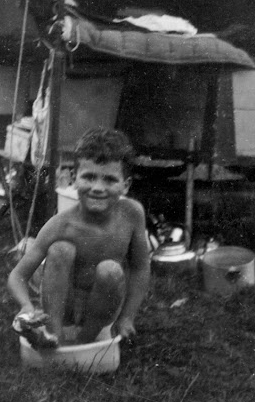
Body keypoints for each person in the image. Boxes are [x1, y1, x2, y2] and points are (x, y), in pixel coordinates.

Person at [8, 128, 150, 347]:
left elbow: (141, 268)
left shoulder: (131, 214)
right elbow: (17, 275)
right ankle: (54, 335)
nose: (98, 188)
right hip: (63, 305)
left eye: (110, 179)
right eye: (89, 177)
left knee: (110, 270)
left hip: (104, 305)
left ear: (126, 185)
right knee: (60, 249)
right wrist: (26, 307)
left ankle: (86, 340)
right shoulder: (61, 224)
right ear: (74, 179)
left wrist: (127, 317)